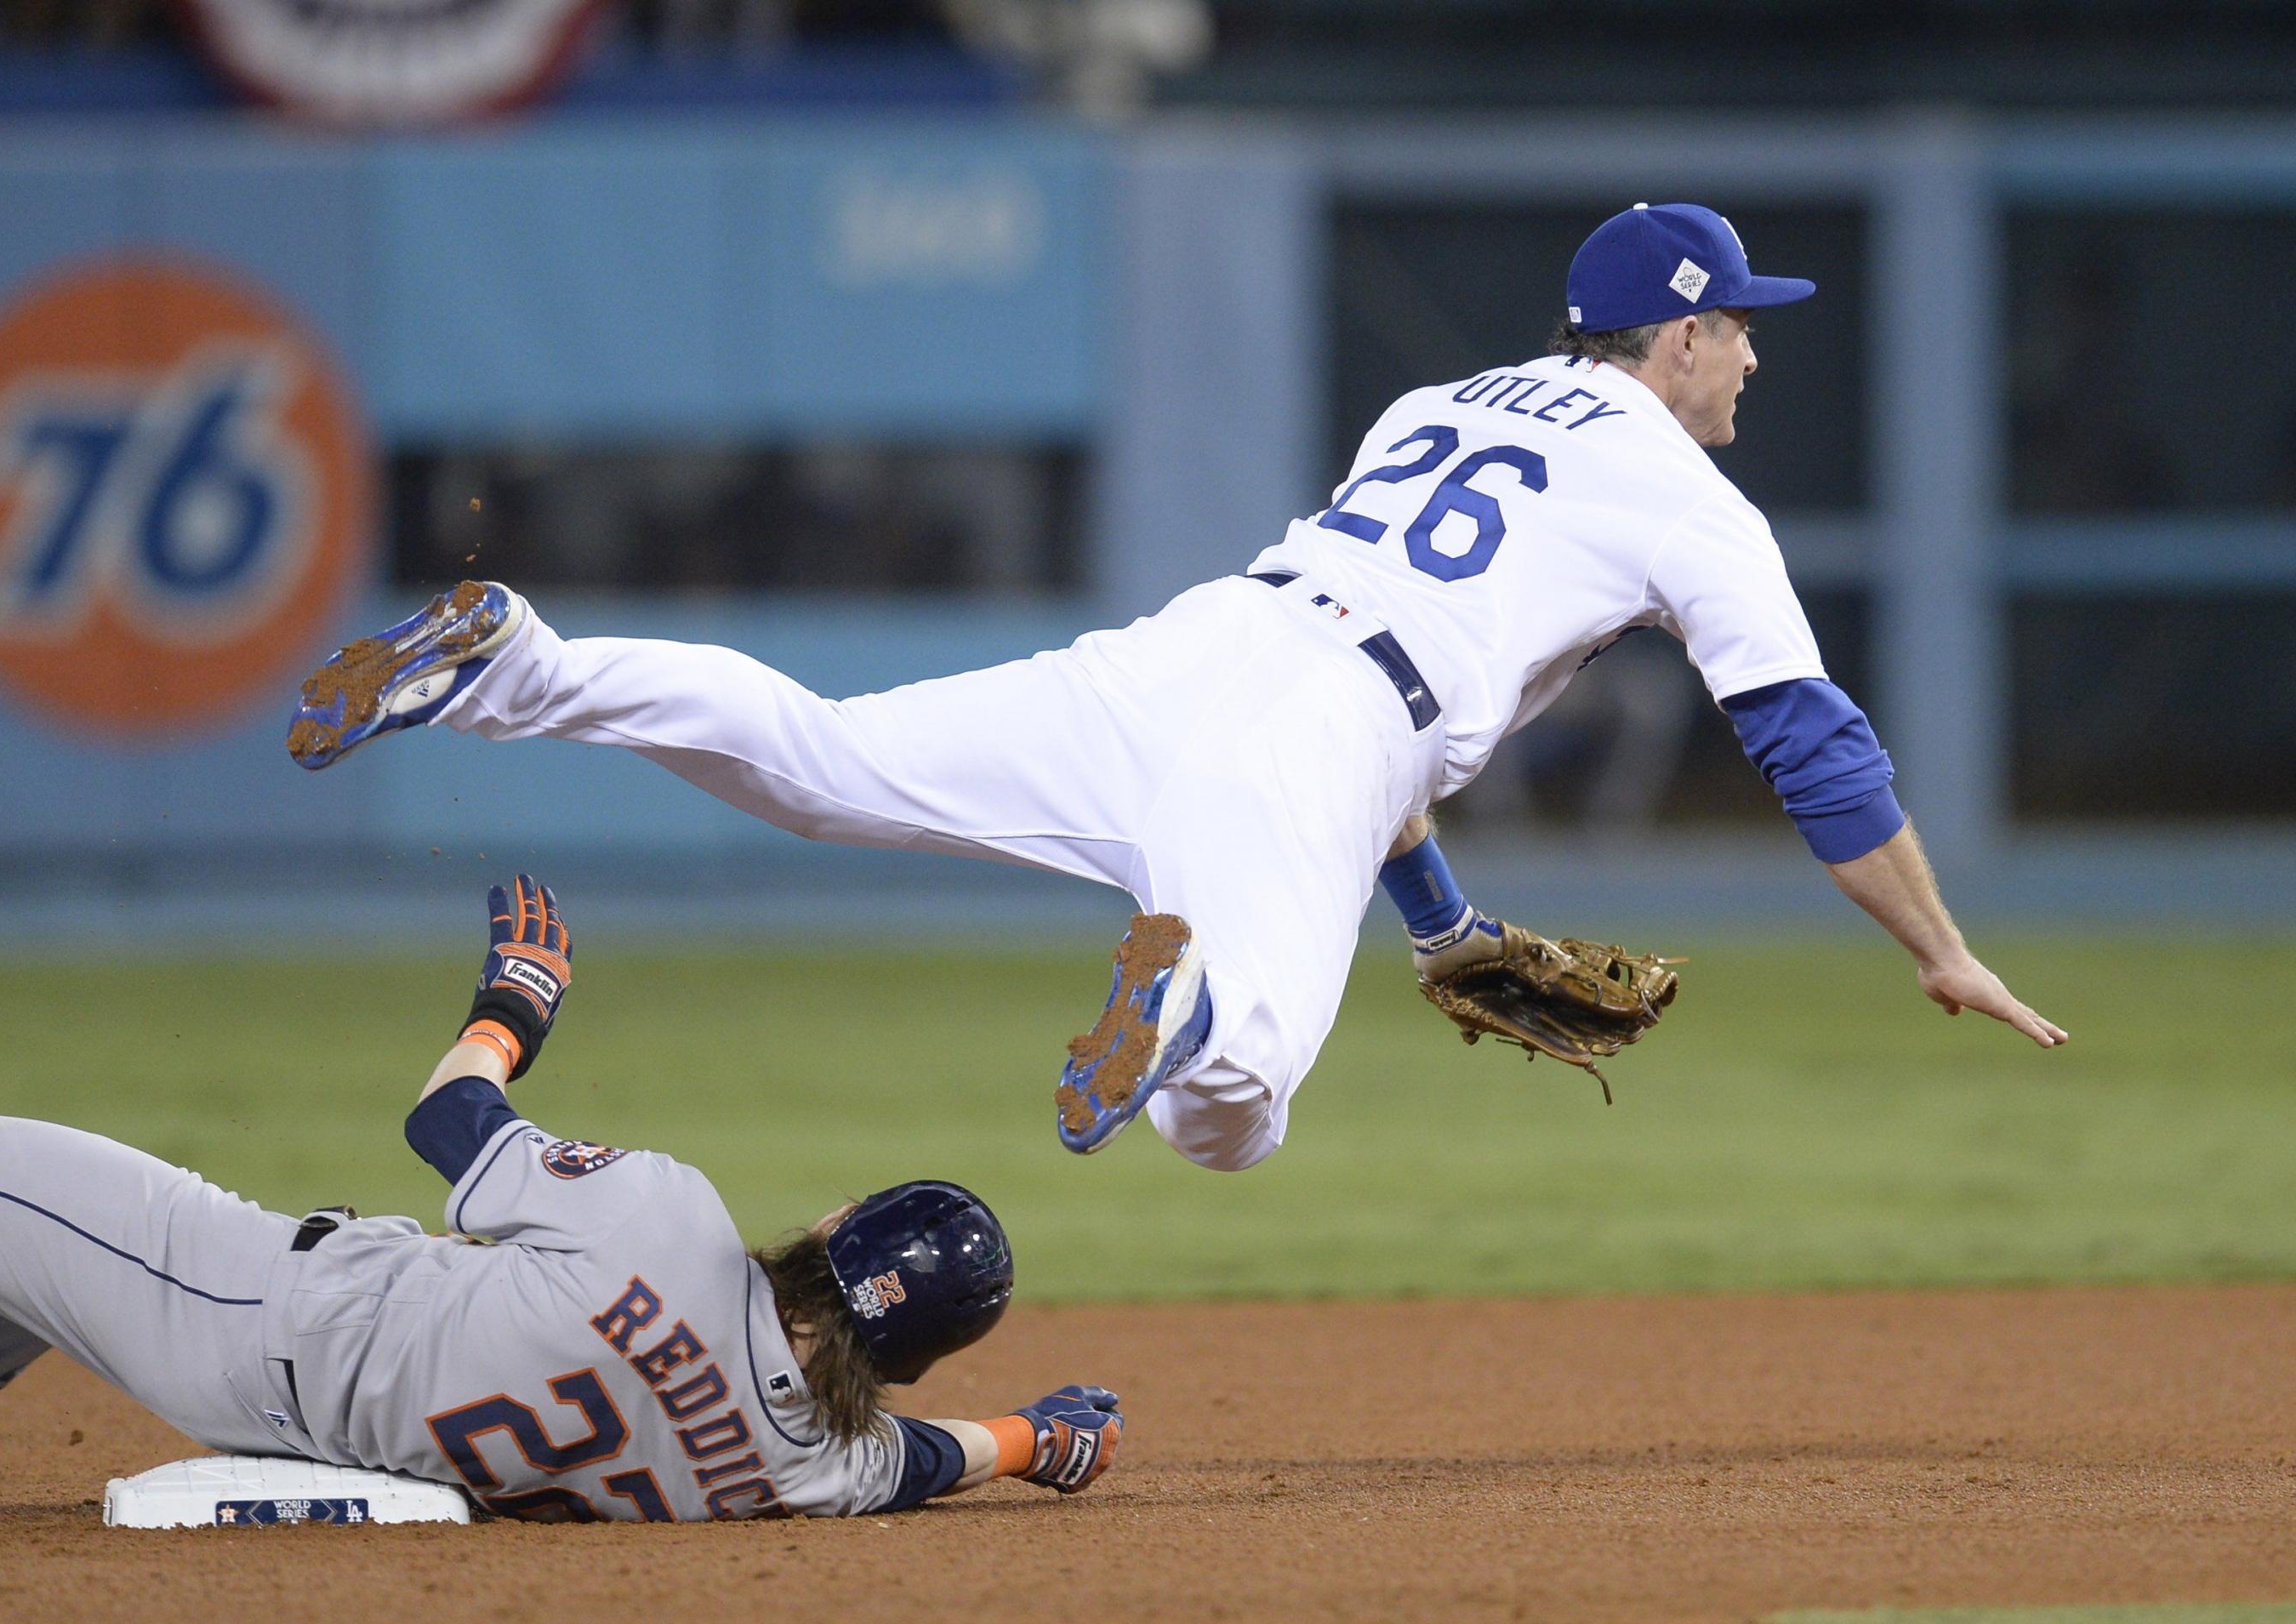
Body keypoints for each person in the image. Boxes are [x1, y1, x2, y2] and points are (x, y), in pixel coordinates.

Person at [288, 201, 2065, 1177]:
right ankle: (1191, 1007)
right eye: (1742, 320)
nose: (1754, 346)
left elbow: (1393, 670)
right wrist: (1935, 942)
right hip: (1319, 737)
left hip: (1188, 652)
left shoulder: (1439, 402)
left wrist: (1440, 917)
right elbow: (1817, 754)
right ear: (1676, 337)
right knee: (1236, 1115)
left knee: (824, 762)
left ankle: (520, 661)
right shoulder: (1690, 494)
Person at [0, 875, 1121, 1524]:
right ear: (911, 1357)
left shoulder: (675, 1219)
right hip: (335, 1425)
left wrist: (514, 1003)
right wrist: (1034, 1438)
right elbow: (934, 1459)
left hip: (251, 1301)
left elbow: (449, 1118)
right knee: (28, 1250)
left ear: (836, 1229)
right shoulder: (818, 1468)